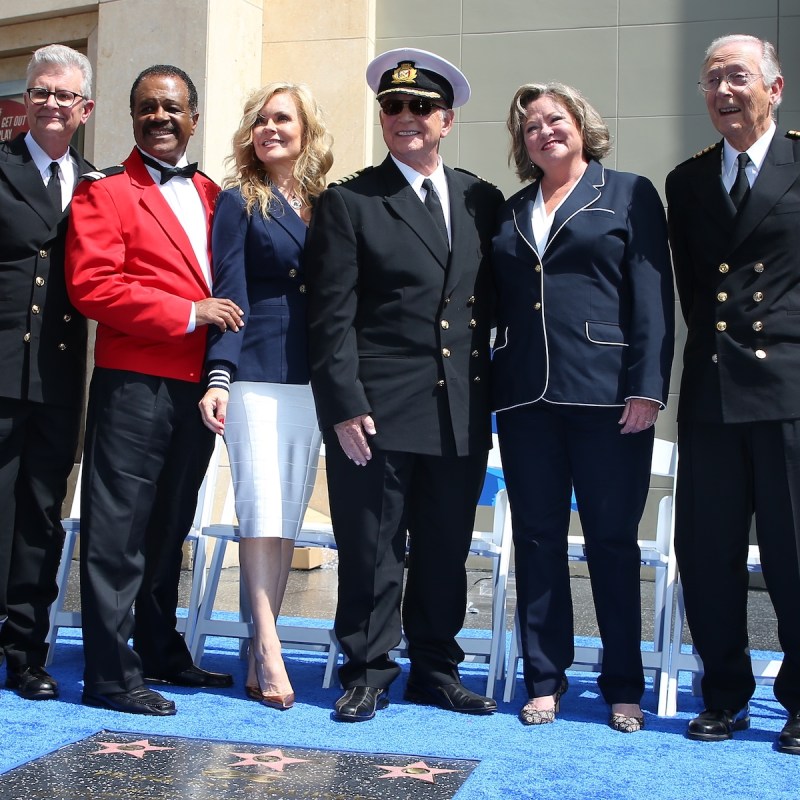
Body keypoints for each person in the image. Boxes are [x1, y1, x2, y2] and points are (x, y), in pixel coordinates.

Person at [305, 48, 503, 723]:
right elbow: (328, 317)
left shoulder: (482, 199)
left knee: (446, 545)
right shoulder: (352, 201)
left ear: (446, 120)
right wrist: (343, 404)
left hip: (461, 404)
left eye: (421, 107)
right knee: (373, 544)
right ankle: (367, 668)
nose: (406, 117)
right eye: (394, 106)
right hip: (378, 408)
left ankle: (436, 668)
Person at [491, 82, 674, 732]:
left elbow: (652, 296)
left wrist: (647, 386)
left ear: (581, 124)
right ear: (523, 145)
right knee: (538, 540)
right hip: (523, 400)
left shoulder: (628, 193)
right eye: (531, 127)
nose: (544, 131)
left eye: (555, 119)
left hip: (608, 398)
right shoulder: (511, 210)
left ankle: (624, 686)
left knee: (612, 544)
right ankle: (545, 679)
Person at [65, 64, 244, 716]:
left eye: (172, 107)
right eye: (147, 108)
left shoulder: (214, 196)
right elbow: (94, 288)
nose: (160, 118)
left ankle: (161, 649)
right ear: (132, 116)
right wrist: (189, 312)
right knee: (118, 533)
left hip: (195, 390)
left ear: (194, 117)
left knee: (170, 526)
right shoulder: (103, 192)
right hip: (133, 384)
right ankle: (110, 675)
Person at [666, 34, 800, 754]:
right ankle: (723, 694)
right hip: (714, 393)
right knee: (708, 552)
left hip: (788, 393)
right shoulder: (686, 182)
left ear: (774, 89)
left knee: (793, 555)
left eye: (737, 77)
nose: (723, 91)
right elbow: (692, 287)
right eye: (711, 78)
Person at [198, 82, 333, 710]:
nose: (270, 128)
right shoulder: (237, 201)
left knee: (285, 517)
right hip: (253, 372)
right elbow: (230, 292)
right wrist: (219, 376)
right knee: (258, 513)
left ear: (306, 130)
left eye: (283, 118)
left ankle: (258, 646)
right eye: (260, 120)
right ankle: (273, 647)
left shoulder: (327, 204)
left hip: (312, 377)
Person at [0, 44, 94, 701]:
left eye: (64, 95)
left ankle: (26, 653)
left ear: (85, 108)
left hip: (60, 383)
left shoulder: (99, 185)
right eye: (41, 92)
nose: (52, 104)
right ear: (24, 103)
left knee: (39, 517)